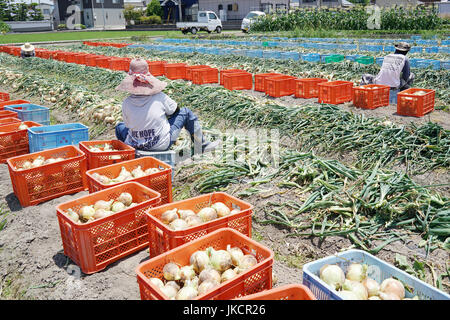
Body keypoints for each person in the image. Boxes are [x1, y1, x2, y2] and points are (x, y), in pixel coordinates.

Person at [115, 59, 220, 154]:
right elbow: (176, 111)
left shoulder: (126, 103)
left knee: (119, 127)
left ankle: (129, 153)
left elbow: (128, 126)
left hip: (135, 144)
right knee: (186, 112)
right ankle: (202, 145)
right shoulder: (159, 97)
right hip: (160, 145)